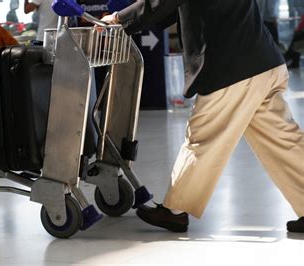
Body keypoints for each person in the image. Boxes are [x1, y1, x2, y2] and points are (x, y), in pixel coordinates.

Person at [102, 0, 304, 233]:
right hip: (262, 61)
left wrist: (120, 18)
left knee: (202, 139)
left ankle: (175, 211)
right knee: (284, 141)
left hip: (232, 69)